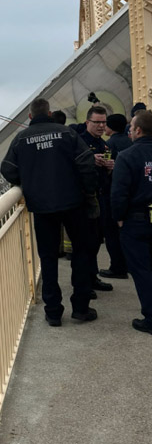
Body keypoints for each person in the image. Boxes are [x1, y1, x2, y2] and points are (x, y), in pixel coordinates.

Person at [1, 97, 98, 326]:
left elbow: (8, 170)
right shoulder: (67, 133)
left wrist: (28, 182)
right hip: (74, 203)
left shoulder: (21, 138)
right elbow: (86, 163)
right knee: (82, 253)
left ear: (31, 117)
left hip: (42, 207)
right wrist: (89, 192)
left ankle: (53, 312)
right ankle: (81, 308)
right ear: (51, 113)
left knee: (48, 257)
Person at [110, 109, 152, 334]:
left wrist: (118, 218)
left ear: (137, 130)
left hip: (137, 221)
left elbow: (119, 194)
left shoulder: (127, 156)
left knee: (142, 270)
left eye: (132, 127)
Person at [80, 105, 116, 292]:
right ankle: (86, 282)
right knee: (87, 243)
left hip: (102, 196)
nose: (102, 126)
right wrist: (90, 159)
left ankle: (92, 278)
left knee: (96, 241)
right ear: (88, 122)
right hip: (86, 199)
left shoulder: (104, 144)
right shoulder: (80, 143)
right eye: (97, 122)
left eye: (104, 122)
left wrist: (110, 167)